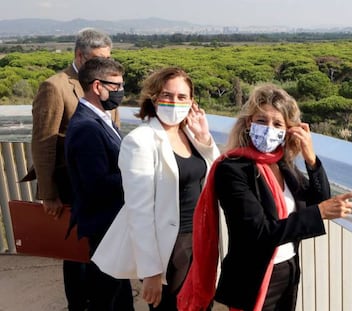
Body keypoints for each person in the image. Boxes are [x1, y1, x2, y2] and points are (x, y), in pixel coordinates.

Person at [177, 83, 352, 311]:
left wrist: (311, 159)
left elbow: (318, 200)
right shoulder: (233, 169)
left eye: (277, 124)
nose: (268, 129)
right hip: (250, 279)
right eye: (262, 121)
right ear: (248, 123)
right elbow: (258, 232)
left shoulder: (283, 165)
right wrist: (320, 212)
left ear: (287, 131)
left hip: (286, 272)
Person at [92, 67, 220, 310]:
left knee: (202, 304)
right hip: (171, 249)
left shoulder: (190, 135)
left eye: (182, 97)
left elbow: (215, 176)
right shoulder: (140, 141)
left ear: (192, 102)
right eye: (167, 95)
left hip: (202, 239)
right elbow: (138, 212)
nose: (174, 102)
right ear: (153, 98)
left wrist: (205, 139)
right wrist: (150, 272)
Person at [25, 28, 117, 311]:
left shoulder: (104, 83)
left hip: (100, 182)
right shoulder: (56, 86)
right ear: (80, 55)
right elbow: (43, 142)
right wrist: (49, 194)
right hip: (69, 185)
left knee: (99, 249)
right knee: (75, 252)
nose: (104, 63)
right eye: (99, 58)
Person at [64, 57, 134, 310]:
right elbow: (97, 184)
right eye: (116, 86)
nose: (120, 92)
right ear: (97, 86)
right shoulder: (87, 128)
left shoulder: (99, 119)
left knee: (117, 292)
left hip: (110, 224)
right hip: (103, 225)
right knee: (106, 295)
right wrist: (135, 173)